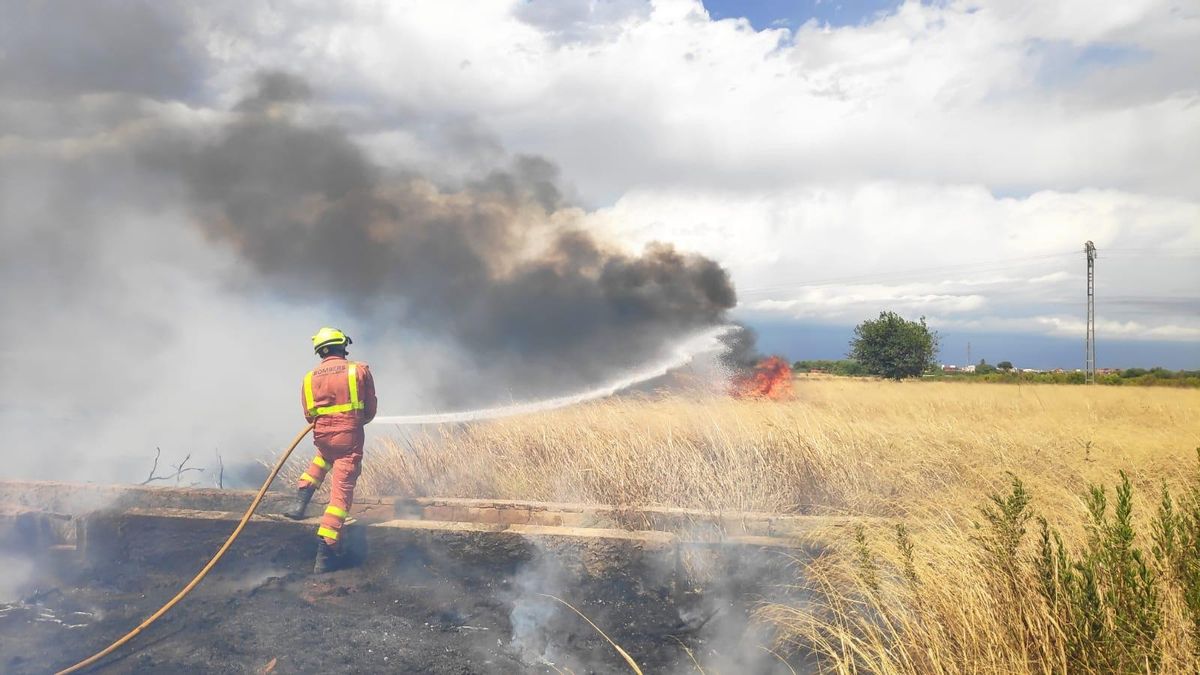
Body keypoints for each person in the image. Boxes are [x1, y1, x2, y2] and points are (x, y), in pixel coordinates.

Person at [284, 327, 377, 573]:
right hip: (349, 436)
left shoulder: (309, 377)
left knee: (323, 459)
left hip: (322, 436)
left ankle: (299, 503)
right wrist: (353, 421)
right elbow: (370, 410)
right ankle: (326, 551)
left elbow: (309, 415)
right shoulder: (358, 370)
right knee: (340, 495)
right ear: (342, 346)